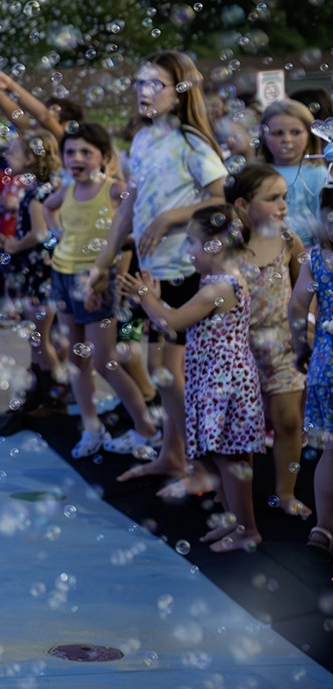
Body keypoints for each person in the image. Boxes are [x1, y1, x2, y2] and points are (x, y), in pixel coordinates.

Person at [88, 50, 227, 487]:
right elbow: (128, 206)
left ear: (180, 91)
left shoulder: (191, 142)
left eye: (155, 84)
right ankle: (173, 455)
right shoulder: (144, 140)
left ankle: (201, 468)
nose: (144, 93)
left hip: (184, 270)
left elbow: (221, 199)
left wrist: (171, 216)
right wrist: (102, 262)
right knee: (162, 373)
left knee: (172, 375)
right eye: (139, 83)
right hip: (151, 274)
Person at [122, 206, 263, 552]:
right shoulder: (214, 282)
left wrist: (145, 297)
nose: (188, 252)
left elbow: (172, 323)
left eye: (193, 243)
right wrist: (153, 301)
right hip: (215, 380)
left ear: (215, 246)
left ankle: (248, 530)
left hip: (226, 384)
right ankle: (234, 523)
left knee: (232, 460)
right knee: (222, 458)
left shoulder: (219, 288)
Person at [43, 123, 160, 458]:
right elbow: (49, 209)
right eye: (70, 152)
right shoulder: (63, 192)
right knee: (78, 359)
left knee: (105, 359)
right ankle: (92, 428)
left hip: (97, 279)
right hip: (63, 276)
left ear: (104, 158)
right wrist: (57, 235)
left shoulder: (113, 190)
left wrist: (116, 246)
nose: (76, 158)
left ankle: (146, 428)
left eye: (86, 152)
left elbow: (141, 219)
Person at [227, 163, 309, 518]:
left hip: (281, 343)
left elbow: (306, 287)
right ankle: (232, 492)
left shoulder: (288, 240)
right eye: (272, 198)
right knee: (240, 425)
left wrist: (305, 328)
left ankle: (285, 492)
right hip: (238, 346)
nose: (283, 205)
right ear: (243, 204)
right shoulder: (229, 246)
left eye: (285, 197)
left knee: (289, 420)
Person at [0, 129, 61, 405]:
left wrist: (16, 245)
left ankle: (55, 394)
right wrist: (8, 240)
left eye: (13, 152)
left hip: (40, 273)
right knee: (39, 335)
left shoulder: (35, 193)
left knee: (40, 337)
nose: (7, 155)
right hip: (44, 270)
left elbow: (40, 233)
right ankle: (41, 388)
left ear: (31, 158)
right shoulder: (49, 187)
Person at [290, 187, 333, 556]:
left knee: (330, 452)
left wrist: (302, 346)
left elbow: (296, 307)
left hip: (324, 367)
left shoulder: (316, 258)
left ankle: (323, 529)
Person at [258, 98, 329, 247]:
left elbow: (323, 224)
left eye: (295, 132)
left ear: (309, 135)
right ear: (264, 137)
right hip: (266, 248)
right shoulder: (257, 173)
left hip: (307, 249)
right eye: (278, 133)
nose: (287, 139)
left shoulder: (317, 173)